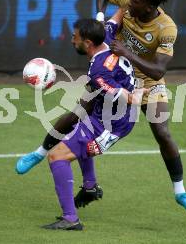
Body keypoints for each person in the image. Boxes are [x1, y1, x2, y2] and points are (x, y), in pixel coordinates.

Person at [17, 0, 186, 215]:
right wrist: (101, 17)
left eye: (135, 1)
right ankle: (39, 153)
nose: (128, 2)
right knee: (78, 113)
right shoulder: (130, 0)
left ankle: (180, 192)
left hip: (147, 82)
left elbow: (158, 70)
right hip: (113, 72)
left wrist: (128, 54)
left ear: (148, 6)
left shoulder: (166, 28)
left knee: (163, 132)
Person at [41, 17, 145, 230]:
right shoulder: (105, 36)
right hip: (101, 115)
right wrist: (103, 9)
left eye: (75, 37)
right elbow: (118, 15)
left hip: (110, 127)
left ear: (88, 43)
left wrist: (146, 89)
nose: (72, 40)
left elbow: (132, 98)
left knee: (56, 157)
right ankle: (90, 187)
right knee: (74, 133)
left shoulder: (99, 71)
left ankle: (70, 219)